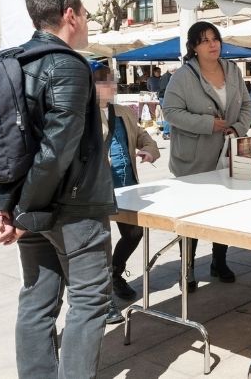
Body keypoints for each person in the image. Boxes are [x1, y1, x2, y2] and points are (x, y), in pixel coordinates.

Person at [0, 0, 116, 378]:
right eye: (85, 13)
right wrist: (22, 212)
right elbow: (56, 152)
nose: (88, 21)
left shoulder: (11, 61)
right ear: (69, 15)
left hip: (28, 205)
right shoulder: (68, 65)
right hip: (70, 210)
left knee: (37, 299)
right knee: (89, 300)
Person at [163, 21, 251, 291]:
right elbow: (170, 112)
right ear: (193, 47)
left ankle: (219, 261)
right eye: (205, 40)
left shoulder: (233, 71)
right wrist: (206, 123)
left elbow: (247, 105)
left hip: (227, 155)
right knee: (191, 218)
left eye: (215, 38)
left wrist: (237, 128)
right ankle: (186, 269)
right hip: (193, 160)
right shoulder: (183, 76)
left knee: (222, 214)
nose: (213, 44)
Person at [92, 62, 160, 324]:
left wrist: (149, 150)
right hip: (99, 192)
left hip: (128, 185)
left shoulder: (123, 111)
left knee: (134, 232)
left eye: (112, 80)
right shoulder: (85, 116)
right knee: (100, 244)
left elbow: (145, 136)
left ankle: (116, 273)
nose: (111, 86)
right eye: (103, 81)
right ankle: (104, 300)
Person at [158, 67, 176, 140]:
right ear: (173, 70)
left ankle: (168, 132)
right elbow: (164, 88)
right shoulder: (166, 77)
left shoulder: (167, 76)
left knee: (168, 115)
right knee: (168, 115)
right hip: (165, 97)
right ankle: (166, 133)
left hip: (165, 97)